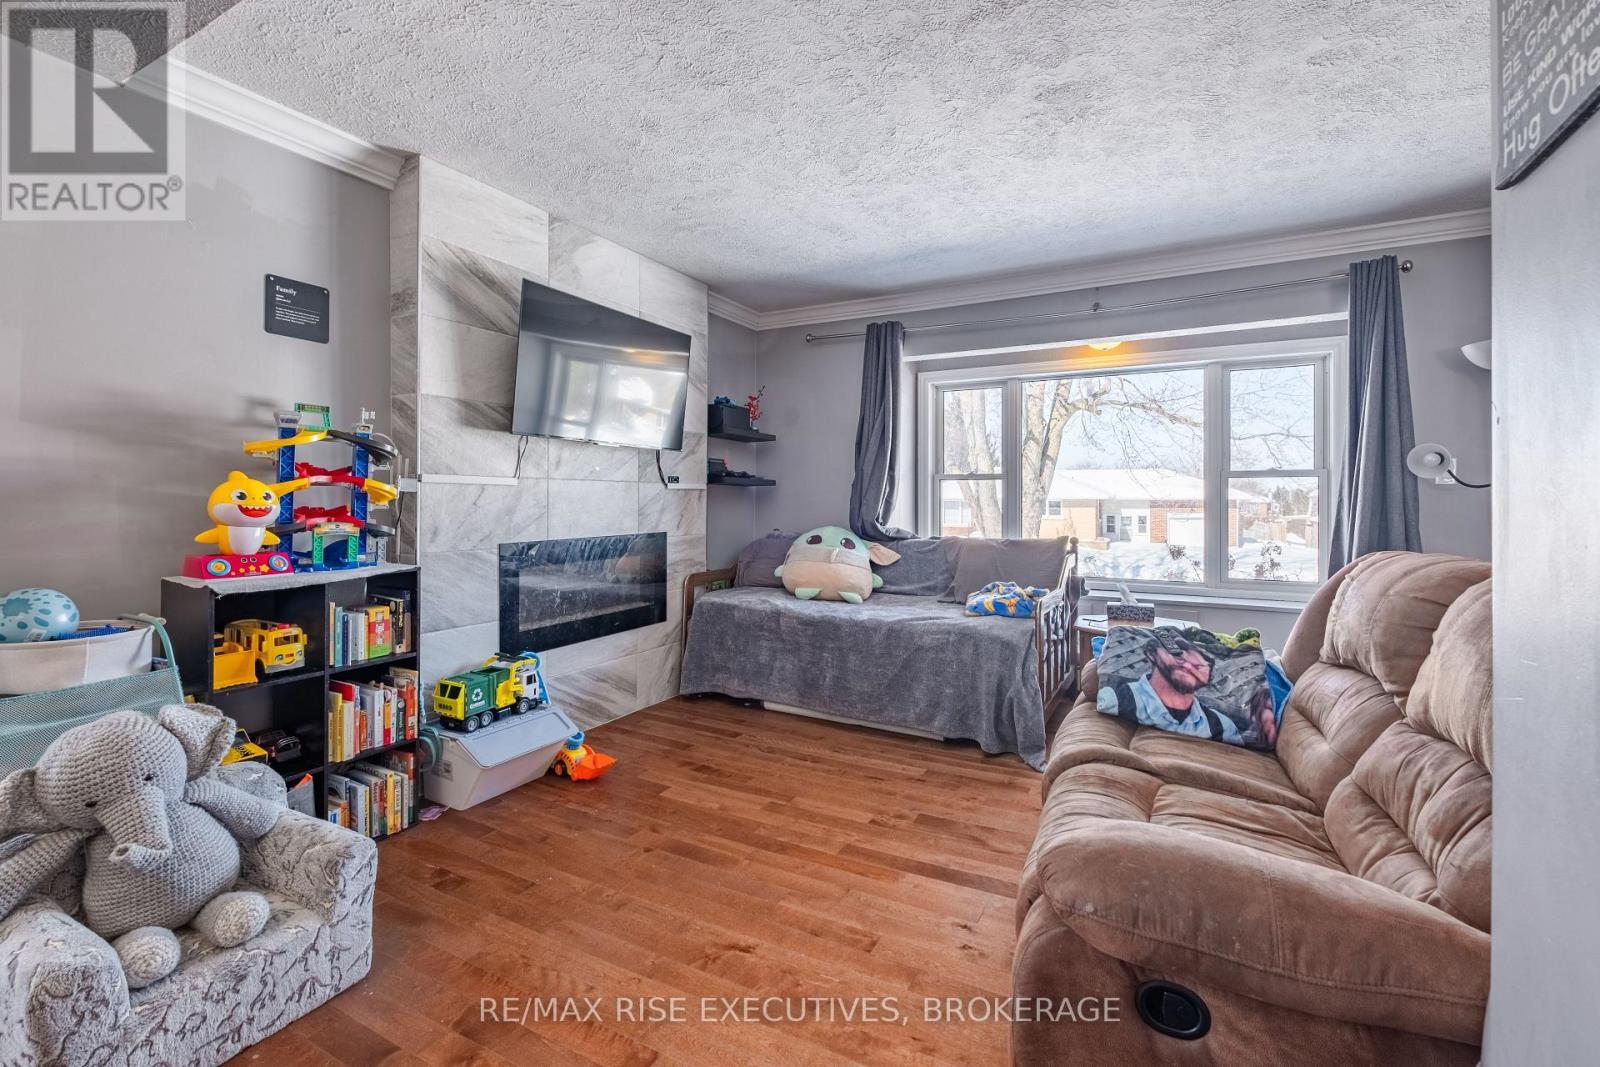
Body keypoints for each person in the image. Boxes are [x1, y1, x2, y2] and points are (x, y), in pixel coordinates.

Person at [1098, 631, 1240, 743]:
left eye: (1198, 665)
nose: (1188, 666)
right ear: (1152, 653)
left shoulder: (1223, 725)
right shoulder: (1114, 699)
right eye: (1179, 657)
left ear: (1209, 675)